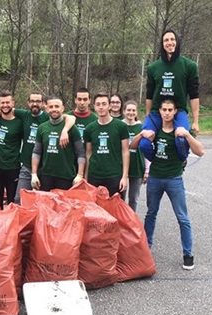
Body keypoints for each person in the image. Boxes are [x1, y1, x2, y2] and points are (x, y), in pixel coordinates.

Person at [131, 99, 205, 270]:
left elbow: (200, 151)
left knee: (182, 217)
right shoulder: (154, 130)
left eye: (169, 110)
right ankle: (146, 249)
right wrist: (142, 134)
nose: (166, 112)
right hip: (155, 179)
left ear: (175, 112)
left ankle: (188, 254)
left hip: (174, 179)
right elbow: (133, 146)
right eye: (163, 109)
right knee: (151, 214)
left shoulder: (179, 133)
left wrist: (186, 134)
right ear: (160, 111)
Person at [140, 29, 200, 162]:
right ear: (162, 44)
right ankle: (158, 163)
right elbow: (149, 94)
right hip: (157, 111)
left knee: (181, 139)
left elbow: (194, 94)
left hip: (178, 111)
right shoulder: (153, 68)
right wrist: (148, 115)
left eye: (172, 39)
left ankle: (181, 161)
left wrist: (196, 121)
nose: (169, 42)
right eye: (166, 40)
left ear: (177, 42)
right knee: (144, 143)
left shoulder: (189, 66)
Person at [31, 96, 86, 191]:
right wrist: (34, 174)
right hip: (45, 177)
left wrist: (80, 175)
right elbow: (37, 152)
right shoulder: (42, 128)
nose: (54, 109)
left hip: (66, 177)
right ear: (47, 108)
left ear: (62, 108)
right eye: (51, 107)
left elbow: (80, 153)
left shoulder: (72, 128)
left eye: (57, 106)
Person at [83, 93, 130, 197]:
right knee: (95, 210)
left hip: (114, 175)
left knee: (115, 210)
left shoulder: (121, 126)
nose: (101, 107)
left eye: (104, 104)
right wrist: (85, 177)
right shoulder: (89, 129)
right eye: (98, 104)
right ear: (94, 106)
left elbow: (125, 151)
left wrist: (124, 177)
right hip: (94, 176)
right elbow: (88, 153)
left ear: (109, 106)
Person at [0, 90, 24, 207]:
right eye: (2, 103)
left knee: (12, 201)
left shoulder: (20, 122)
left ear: (13, 103)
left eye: (8, 102)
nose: (5, 105)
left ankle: (11, 224)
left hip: (13, 167)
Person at [122, 100, 147, 211]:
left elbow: (147, 150)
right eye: (128, 110)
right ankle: (120, 223)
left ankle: (131, 223)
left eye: (133, 110)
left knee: (133, 199)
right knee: (120, 198)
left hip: (137, 168)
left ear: (136, 113)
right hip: (121, 169)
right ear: (124, 111)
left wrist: (147, 170)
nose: (131, 112)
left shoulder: (142, 128)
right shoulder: (119, 126)